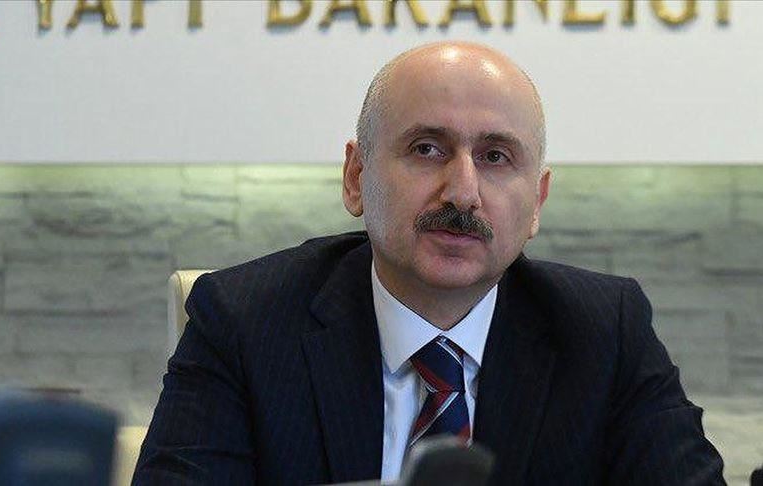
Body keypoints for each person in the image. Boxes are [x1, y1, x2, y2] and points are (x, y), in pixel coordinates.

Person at [133, 41, 725, 485]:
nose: (462, 192)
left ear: (537, 202)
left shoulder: (605, 331)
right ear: (356, 177)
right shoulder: (244, 322)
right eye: (427, 149)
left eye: (496, 157)